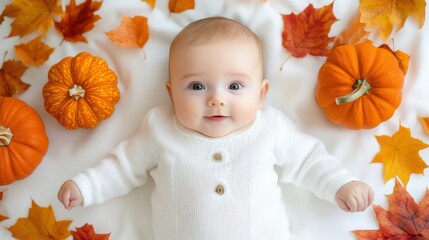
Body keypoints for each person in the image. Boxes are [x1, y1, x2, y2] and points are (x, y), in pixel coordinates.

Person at [58, 16, 374, 239]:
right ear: (171, 94)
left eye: (235, 86)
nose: (216, 99)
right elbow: (122, 166)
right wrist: (86, 186)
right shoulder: (161, 129)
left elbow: (308, 160)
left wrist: (340, 185)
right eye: (196, 86)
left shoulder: (270, 128)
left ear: (262, 95)